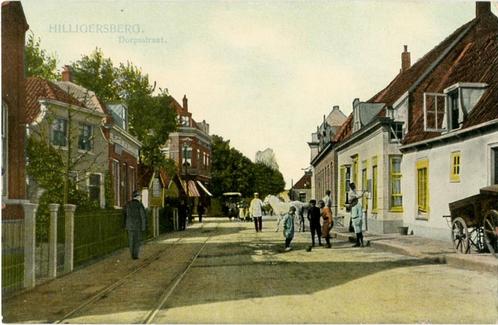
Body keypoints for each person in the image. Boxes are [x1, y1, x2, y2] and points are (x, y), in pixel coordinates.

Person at [123, 190, 147, 260]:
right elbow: (142, 216)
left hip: (129, 225)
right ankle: (135, 255)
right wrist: (143, 227)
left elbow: (125, 215)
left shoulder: (128, 204)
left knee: (131, 240)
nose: (140, 198)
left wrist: (125, 225)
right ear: (138, 196)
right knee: (137, 241)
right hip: (137, 225)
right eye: (140, 196)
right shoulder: (140, 205)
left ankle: (132, 254)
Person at [349, 182, 364, 247]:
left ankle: (360, 242)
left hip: (357, 219)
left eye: (352, 200)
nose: (351, 201)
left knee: (359, 232)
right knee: (357, 232)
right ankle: (359, 242)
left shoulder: (358, 205)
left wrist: (360, 219)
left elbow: (360, 213)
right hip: (354, 219)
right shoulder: (353, 205)